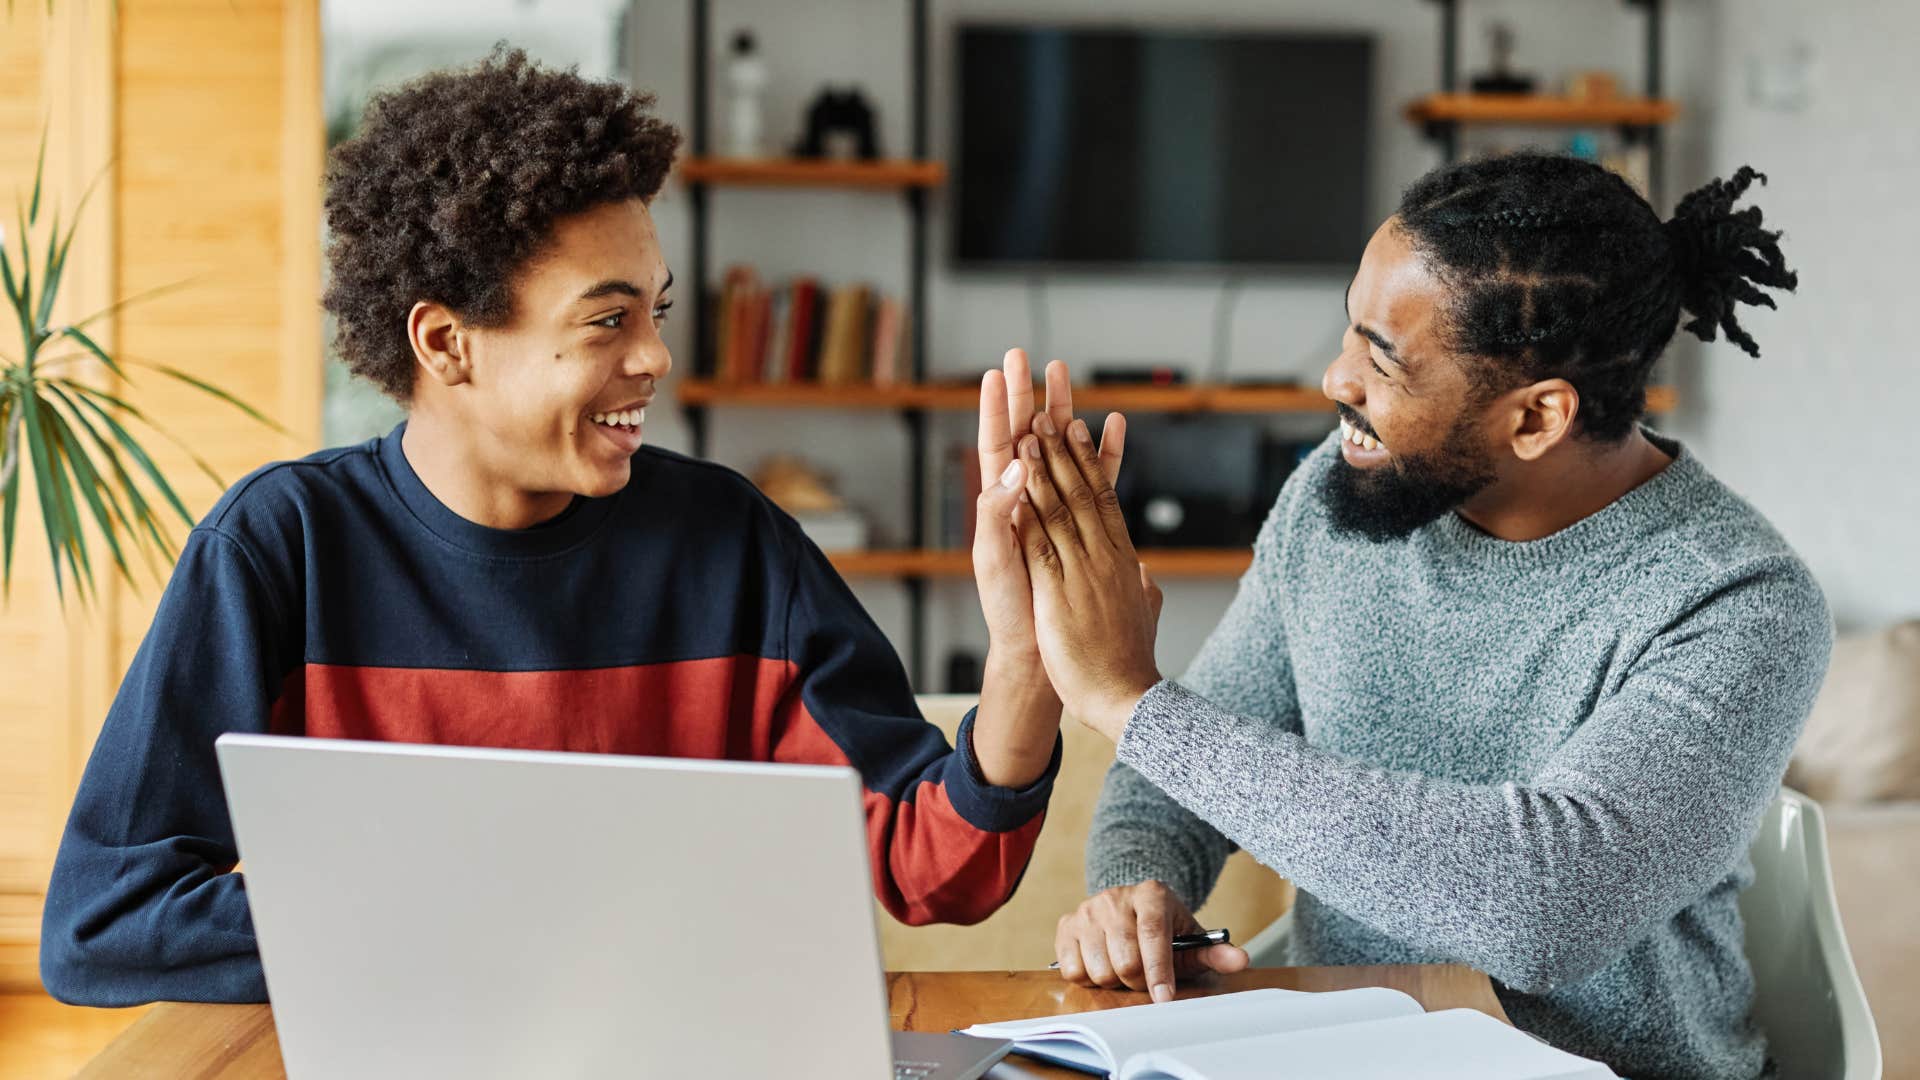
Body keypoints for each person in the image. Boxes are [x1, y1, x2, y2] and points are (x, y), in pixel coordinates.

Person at [38, 48, 1114, 1007]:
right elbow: (106, 924)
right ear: (447, 342)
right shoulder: (283, 549)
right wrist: (455, 924)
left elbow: (936, 866)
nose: (654, 357)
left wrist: (1025, 663)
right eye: (607, 319)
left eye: (659, 309)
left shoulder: (729, 545)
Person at [996, 155, 1826, 1078]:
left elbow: (1543, 908)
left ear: (1537, 417)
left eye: (1381, 360)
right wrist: (1138, 892)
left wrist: (1130, 704)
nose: (1334, 379)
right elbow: (1180, 775)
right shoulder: (1333, 494)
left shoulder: (1739, 600)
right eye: (1349, 332)